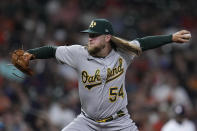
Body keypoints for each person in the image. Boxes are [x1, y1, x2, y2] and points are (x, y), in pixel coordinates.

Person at [24, 19, 191, 131]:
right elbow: (52, 51)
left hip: (119, 122)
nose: (90, 39)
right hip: (87, 122)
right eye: (90, 35)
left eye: (95, 36)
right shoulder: (79, 54)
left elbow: (144, 43)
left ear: (107, 37)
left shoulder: (124, 52)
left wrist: (171, 38)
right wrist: (30, 54)